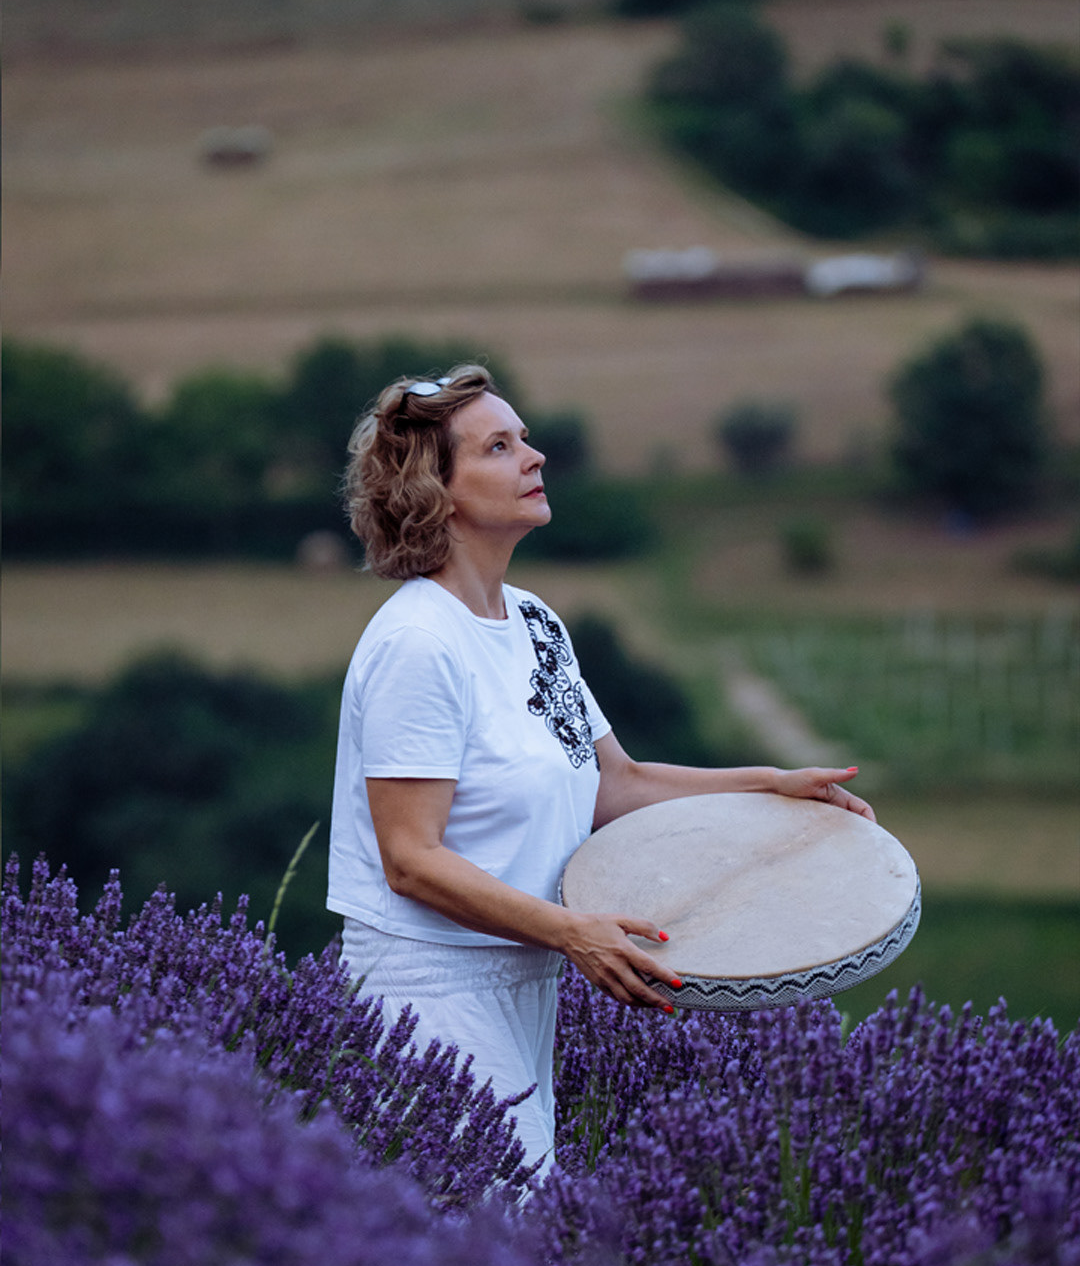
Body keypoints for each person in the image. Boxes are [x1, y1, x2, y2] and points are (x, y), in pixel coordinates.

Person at [327, 365, 874, 1177]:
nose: (535, 457)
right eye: (500, 447)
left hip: (526, 978)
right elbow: (411, 860)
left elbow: (614, 785)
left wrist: (769, 783)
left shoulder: (537, 624)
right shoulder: (418, 643)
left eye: (525, 438)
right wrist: (573, 932)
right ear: (432, 491)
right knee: (499, 1239)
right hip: (427, 995)